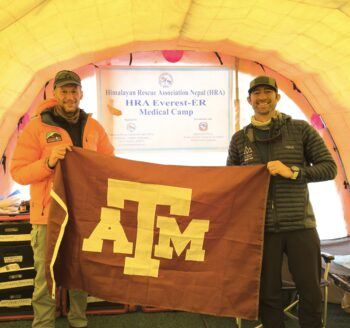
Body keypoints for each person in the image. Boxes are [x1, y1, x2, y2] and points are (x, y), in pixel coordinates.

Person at [227, 75, 337, 328]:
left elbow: (329, 168)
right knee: (268, 294)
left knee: (310, 291)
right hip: (262, 230)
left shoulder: (300, 129)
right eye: (257, 93)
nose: (262, 97)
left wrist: (294, 172)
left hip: (301, 225)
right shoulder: (240, 140)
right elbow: (231, 181)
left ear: (277, 97)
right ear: (249, 99)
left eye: (268, 92)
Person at [11, 70, 115, 328]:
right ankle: (44, 324)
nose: (69, 96)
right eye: (64, 91)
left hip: (82, 215)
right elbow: (18, 172)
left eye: (73, 91)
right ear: (55, 94)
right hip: (48, 216)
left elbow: (111, 165)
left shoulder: (94, 127)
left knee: (79, 274)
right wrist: (47, 162)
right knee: (45, 278)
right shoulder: (37, 127)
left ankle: (78, 322)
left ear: (81, 93)